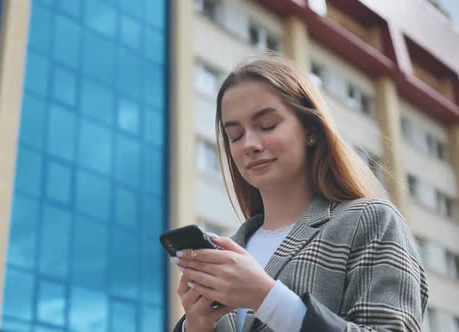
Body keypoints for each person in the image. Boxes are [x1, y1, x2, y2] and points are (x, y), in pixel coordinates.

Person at [170, 55, 428, 332]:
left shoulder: (369, 221)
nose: (250, 145)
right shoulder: (230, 253)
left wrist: (268, 298)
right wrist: (196, 326)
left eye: (267, 125)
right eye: (235, 135)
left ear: (311, 130)